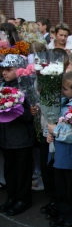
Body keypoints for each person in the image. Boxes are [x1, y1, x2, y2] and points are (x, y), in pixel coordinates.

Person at [46, 70, 72, 227]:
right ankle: (63, 214)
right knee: (61, 188)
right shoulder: (64, 103)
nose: (62, 91)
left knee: (71, 189)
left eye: (65, 88)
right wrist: (50, 134)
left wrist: (54, 131)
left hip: (70, 156)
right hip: (59, 155)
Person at [0, 55, 33, 216]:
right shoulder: (2, 85)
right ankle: (12, 196)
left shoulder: (25, 88)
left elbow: (30, 114)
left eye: (9, 69)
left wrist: (14, 109)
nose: (4, 73)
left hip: (21, 138)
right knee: (9, 168)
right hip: (5, 137)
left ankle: (23, 198)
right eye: (3, 69)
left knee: (22, 170)